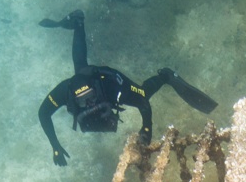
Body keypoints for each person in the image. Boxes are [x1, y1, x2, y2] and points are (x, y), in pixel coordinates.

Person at [37, 9, 218, 165]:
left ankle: (165, 76)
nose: (90, 103)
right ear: (74, 101)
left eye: (91, 98)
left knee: (143, 93)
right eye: (84, 101)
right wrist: (55, 145)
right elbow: (43, 113)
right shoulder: (65, 92)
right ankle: (77, 22)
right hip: (86, 78)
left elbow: (143, 103)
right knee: (80, 67)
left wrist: (146, 127)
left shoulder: (112, 87)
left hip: (105, 79)